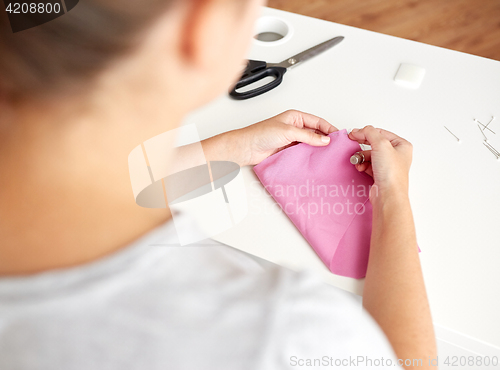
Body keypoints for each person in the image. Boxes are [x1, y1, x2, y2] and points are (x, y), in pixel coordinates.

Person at [0, 0, 436, 369]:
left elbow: (79, 184)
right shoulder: (279, 333)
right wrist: (392, 198)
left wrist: (225, 149)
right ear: (202, 29)